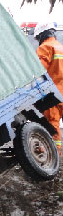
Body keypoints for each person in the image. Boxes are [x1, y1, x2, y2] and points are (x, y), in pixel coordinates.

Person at [35, 21, 63, 155]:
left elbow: (38, 72)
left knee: (52, 125)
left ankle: (54, 157)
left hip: (53, 95)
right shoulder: (60, 47)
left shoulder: (45, 48)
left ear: (41, 35)